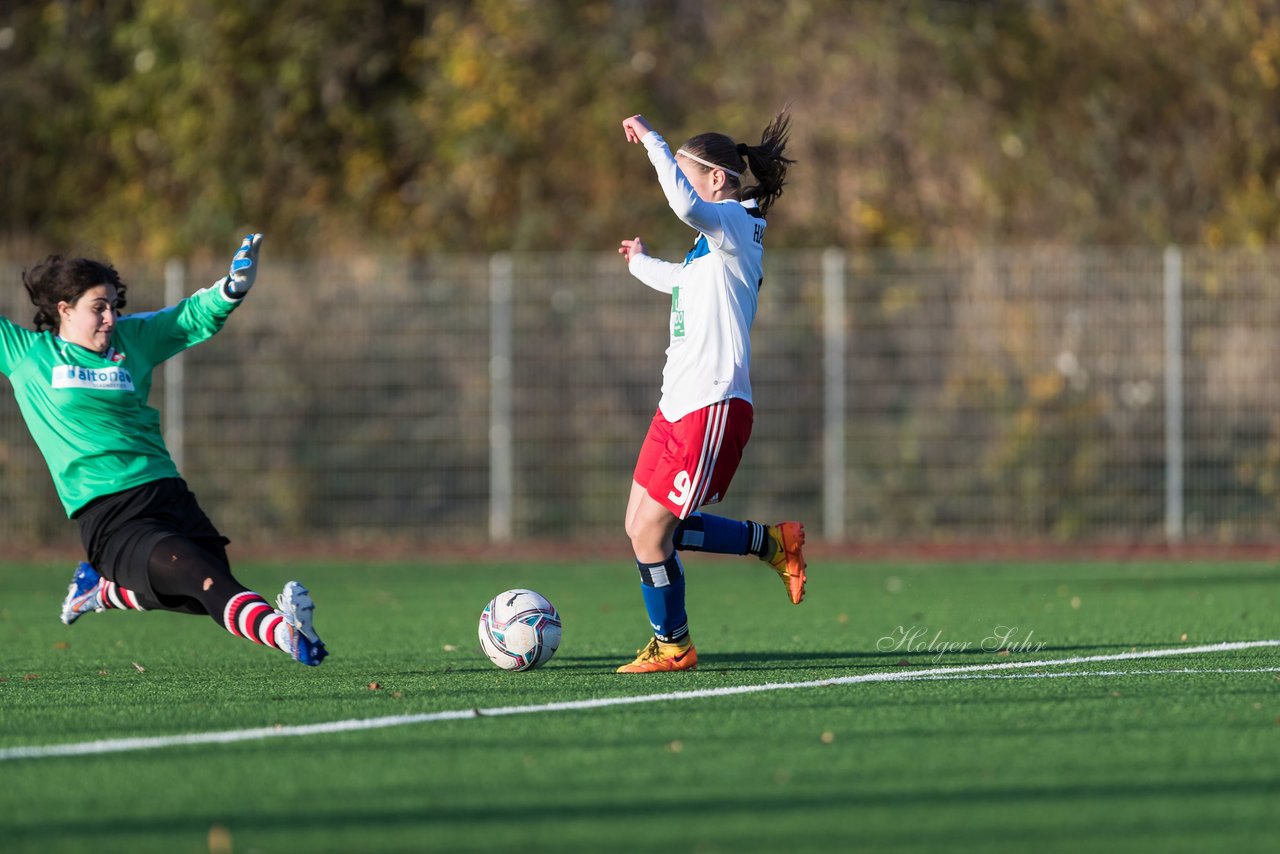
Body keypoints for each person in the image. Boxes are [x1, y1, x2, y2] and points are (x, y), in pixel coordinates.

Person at [1, 235, 328, 666]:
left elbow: (186, 318)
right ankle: (286, 633)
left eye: (114, 305)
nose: (110, 317)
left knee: (202, 591)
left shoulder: (133, 340)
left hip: (168, 493)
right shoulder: (28, 354)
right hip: (109, 513)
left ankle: (99, 591)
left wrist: (231, 289)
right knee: (201, 578)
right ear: (63, 309)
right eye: (98, 307)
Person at [614, 110, 806, 673]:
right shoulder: (708, 250)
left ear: (717, 180)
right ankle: (772, 543)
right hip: (674, 406)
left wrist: (653, 140)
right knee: (639, 527)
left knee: (655, 530)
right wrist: (640, 263)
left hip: (711, 404)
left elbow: (684, 205)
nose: (677, 181)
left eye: (685, 171)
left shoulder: (733, 226)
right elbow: (678, 281)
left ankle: (674, 645)